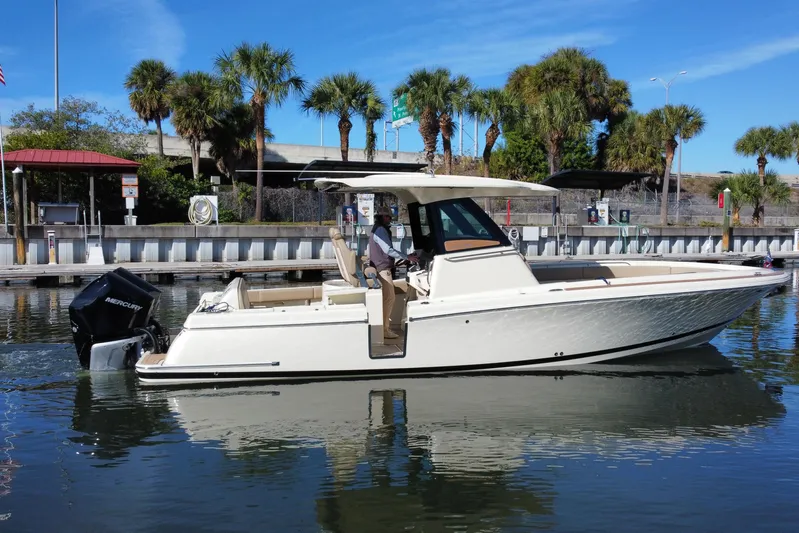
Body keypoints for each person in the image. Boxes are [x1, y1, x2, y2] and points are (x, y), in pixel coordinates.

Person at [368, 205, 418, 339]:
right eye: (389, 217)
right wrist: (408, 257)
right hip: (383, 269)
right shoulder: (380, 230)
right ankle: (384, 330)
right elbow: (388, 250)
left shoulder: (377, 229)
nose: (390, 220)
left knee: (387, 298)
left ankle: (385, 328)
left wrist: (403, 259)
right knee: (389, 298)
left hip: (382, 267)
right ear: (384, 217)